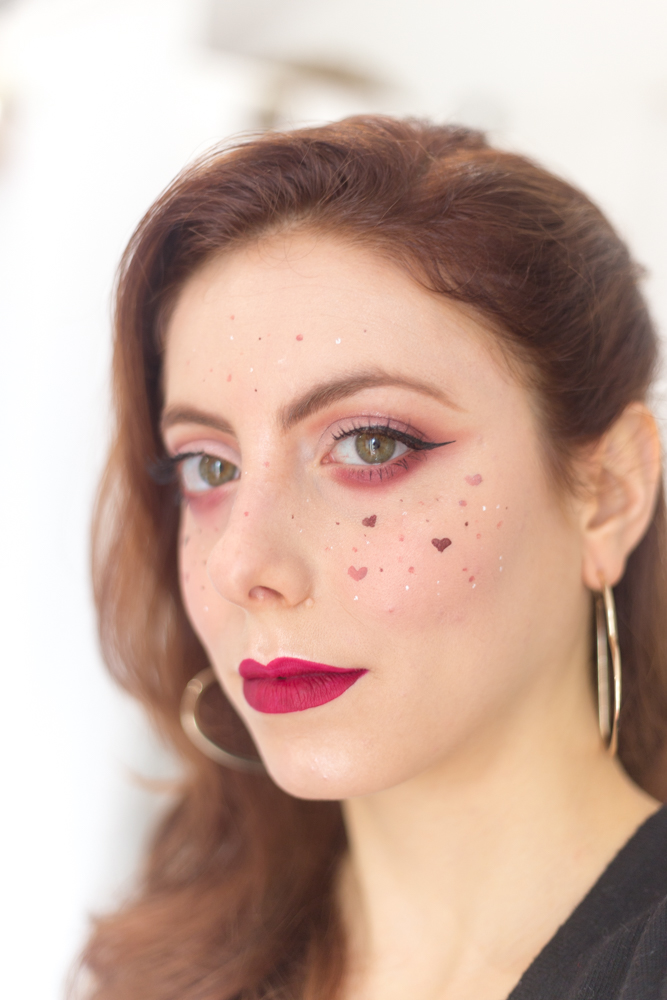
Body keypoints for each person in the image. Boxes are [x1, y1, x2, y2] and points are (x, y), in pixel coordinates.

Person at [78, 116, 667, 1000]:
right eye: (210, 467)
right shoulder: (163, 962)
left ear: (609, 492)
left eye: (370, 445)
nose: (243, 563)